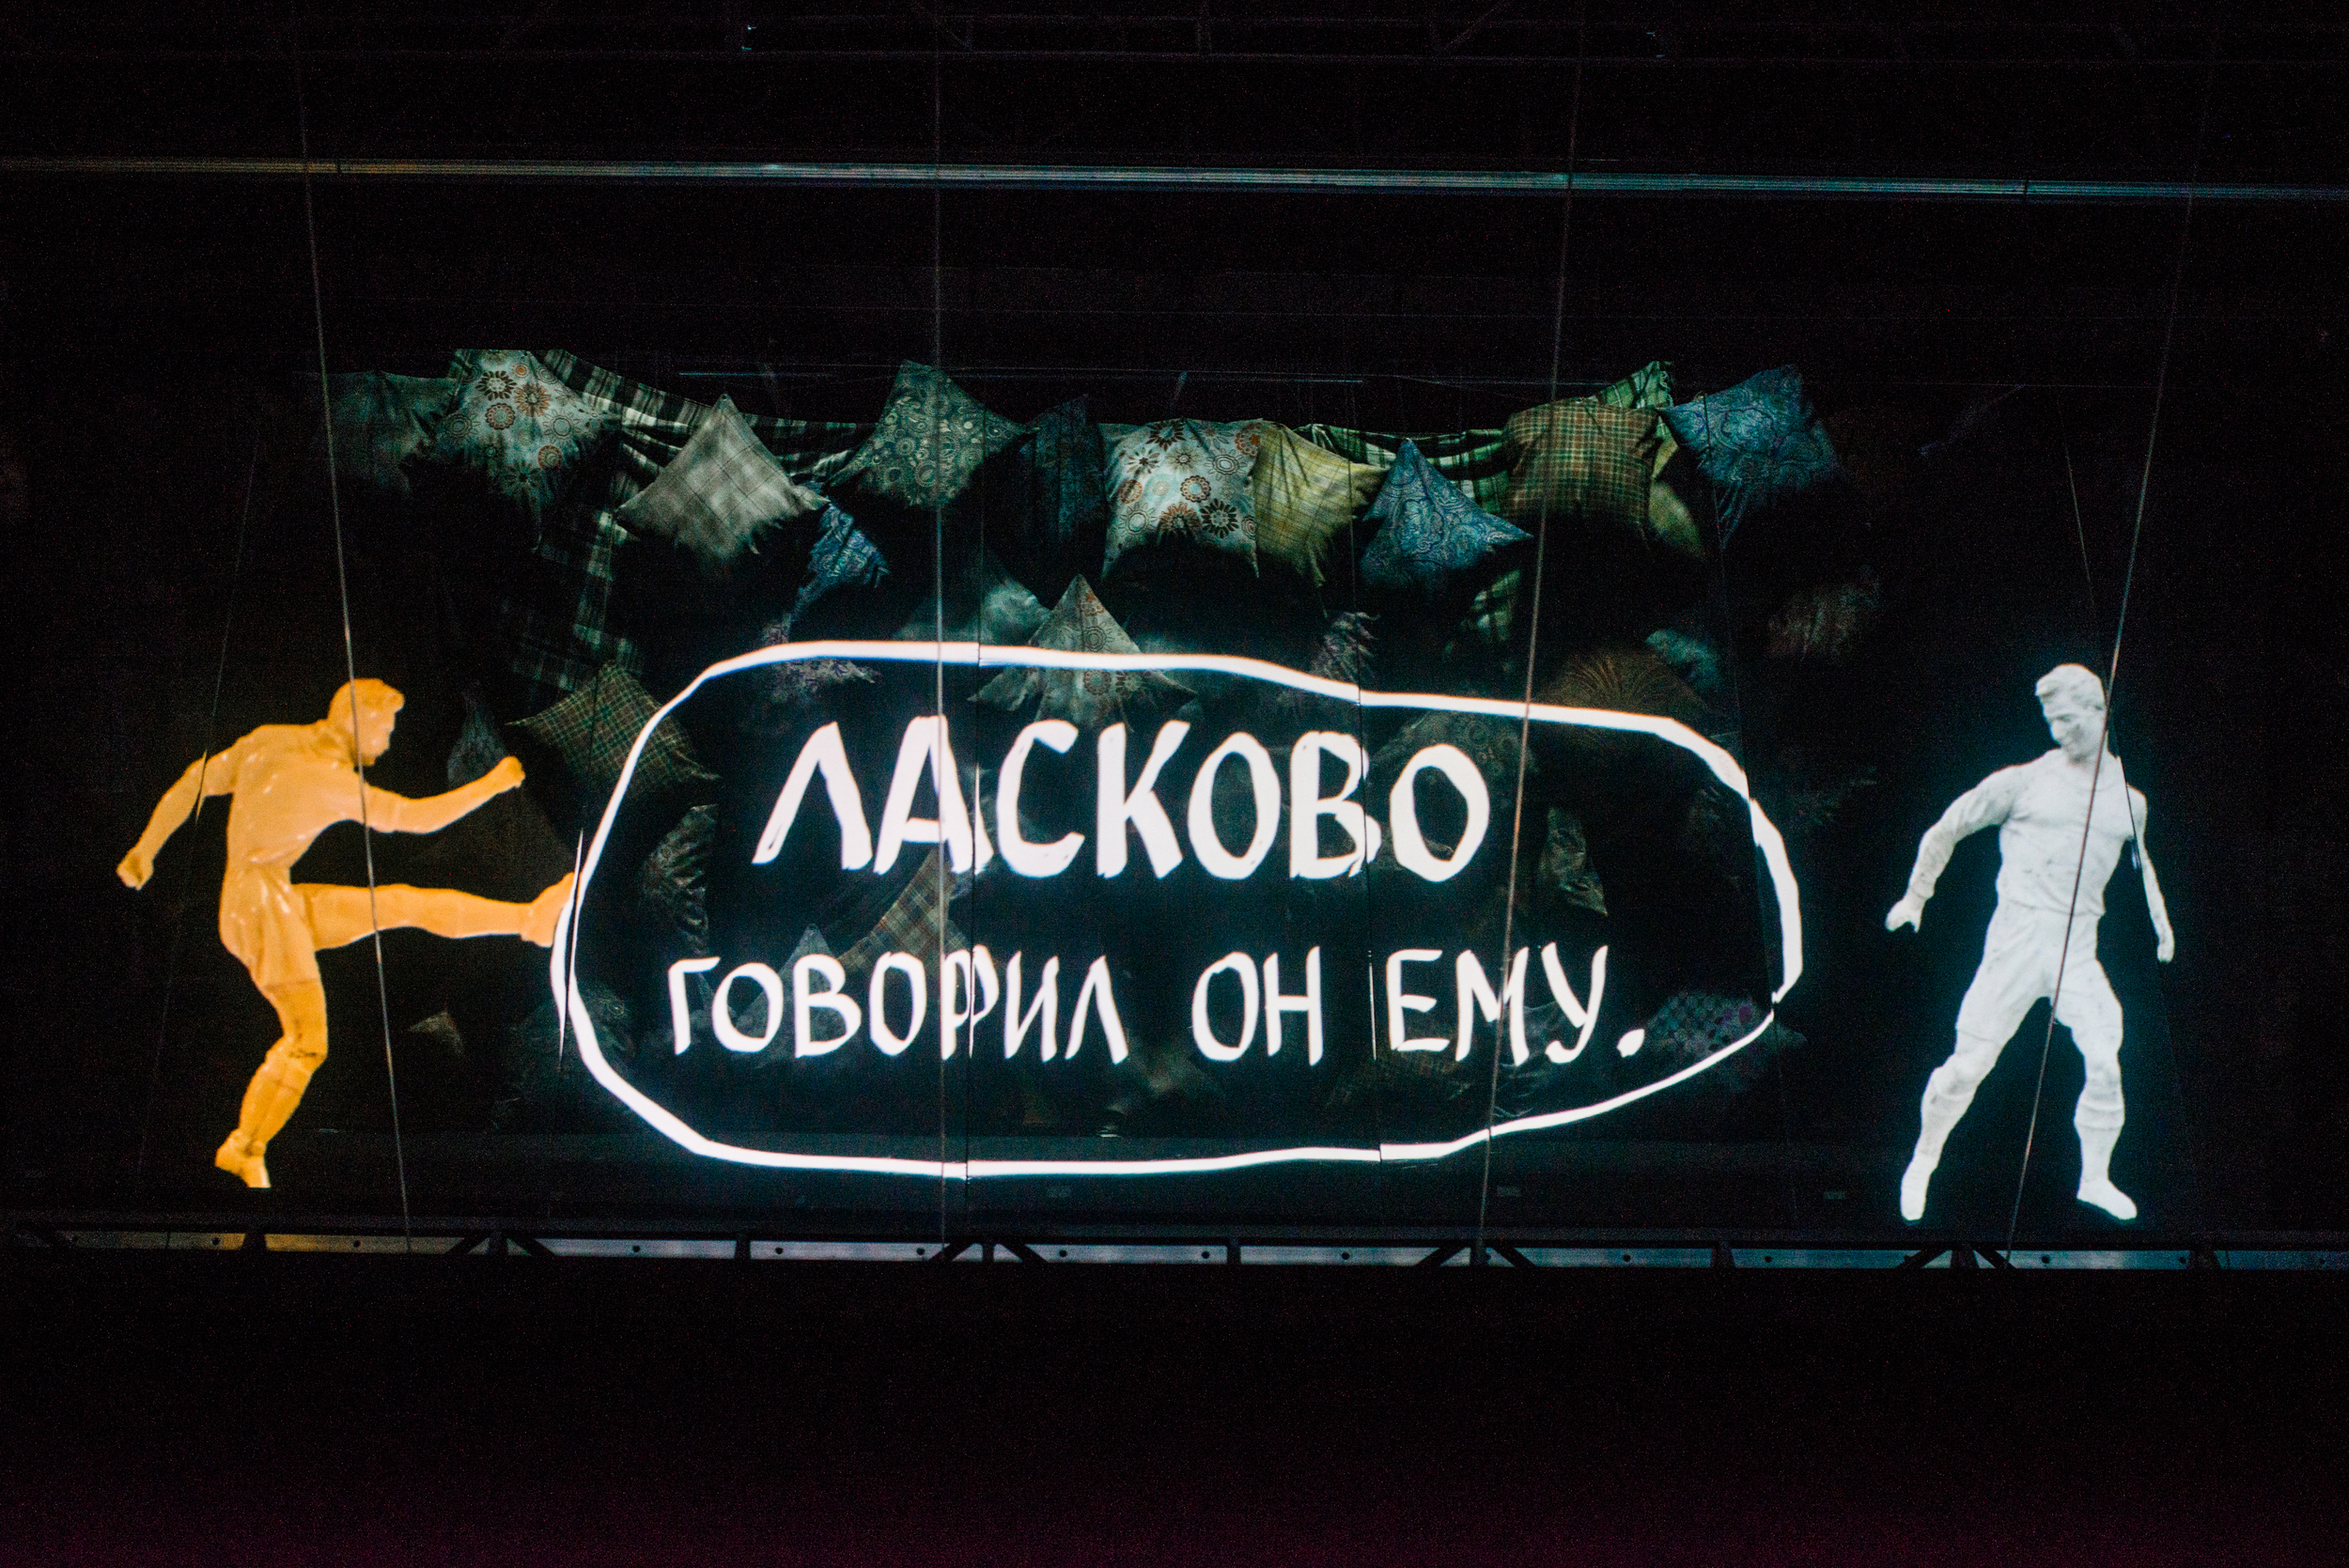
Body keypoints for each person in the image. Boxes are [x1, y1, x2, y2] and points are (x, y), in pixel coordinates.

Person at [118, 679, 575, 1188]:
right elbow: (415, 818)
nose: (387, 743)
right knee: (307, 1041)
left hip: (268, 898)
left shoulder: (271, 741)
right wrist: (490, 786)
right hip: (263, 910)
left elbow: (195, 781)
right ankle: (244, 1148)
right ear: (360, 720)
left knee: (399, 903)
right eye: (386, 729)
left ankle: (528, 920)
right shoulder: (329, 781)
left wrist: (145, 850)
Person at [1885, 663, 2174, 1223]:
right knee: (1967, 1068)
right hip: (2016, 943)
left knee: (2105, 1062)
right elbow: (1947, 827)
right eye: (2051, 722)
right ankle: (1922, 1160)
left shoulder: (2130, 801)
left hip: (2077, 950)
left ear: (2099, 710)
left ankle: (2095, 1178)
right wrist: (1916, 896)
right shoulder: (2022, 782)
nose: (2059, 731)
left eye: (2067, 719)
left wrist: (2162, 925)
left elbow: (2144, 867)